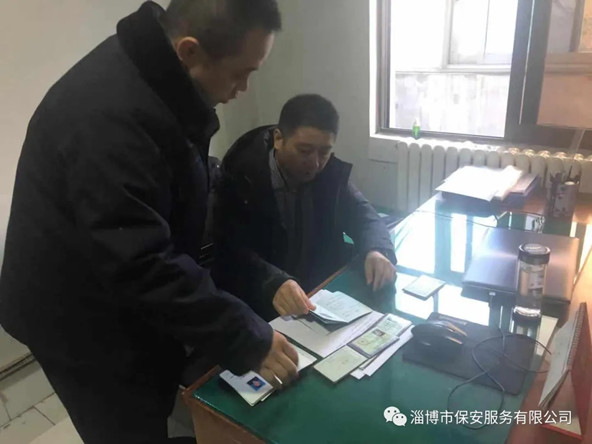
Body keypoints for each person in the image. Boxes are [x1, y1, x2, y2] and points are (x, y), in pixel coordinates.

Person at [0, 1, 299, 443]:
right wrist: (245, 335)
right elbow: (140, 260)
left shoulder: (160, 77)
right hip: (70, 311)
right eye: (240, 74)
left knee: (151, 391)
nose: (243, 89)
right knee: (125, 417)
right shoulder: (107, 117)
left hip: (110, 280)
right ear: (190, 51)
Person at [213, 94, 397, 321]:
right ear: (278, 139)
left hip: (318, 294)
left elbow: (364, 214)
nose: (315, 163)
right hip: (262, 303)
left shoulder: (328, 173)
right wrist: (272, 281)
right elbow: (230, 251)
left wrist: (376, 250)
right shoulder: (241, 177)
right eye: (304, 151)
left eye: (324, 152)